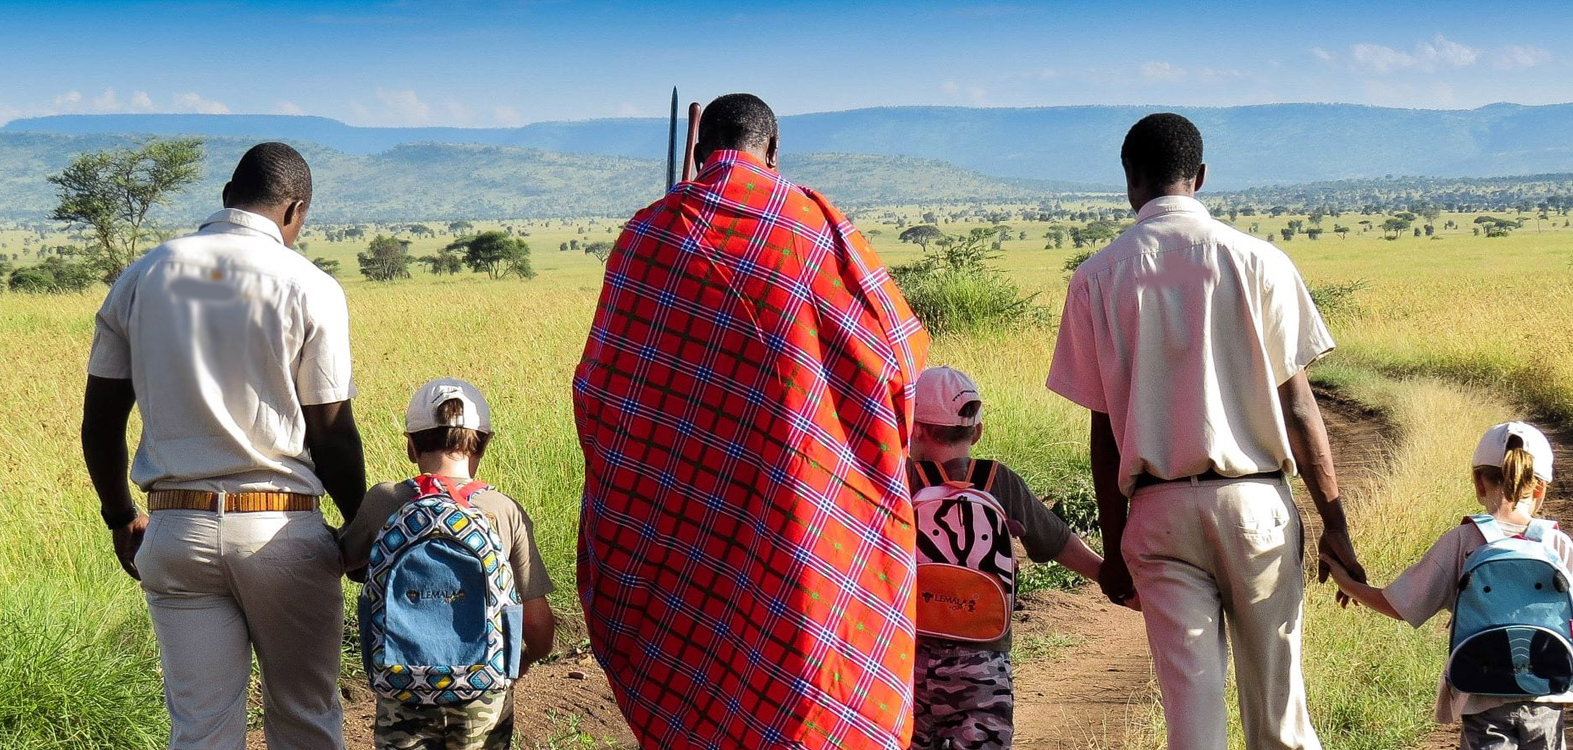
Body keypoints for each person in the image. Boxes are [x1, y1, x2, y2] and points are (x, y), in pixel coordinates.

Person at [573, 92, 927, 750]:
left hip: (686, 524)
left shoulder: (648, 236)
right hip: (807, 504)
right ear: (774, 150)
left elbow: (601, 394)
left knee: (702, 675)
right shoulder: (817, 226)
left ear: (702, 153)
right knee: (806, 664)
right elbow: (898, 361)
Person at [1046, 112, 1365, 750]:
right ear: (1201, 176)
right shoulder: (1260, 261)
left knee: (1193, 726)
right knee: (1279, 717)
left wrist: (1114, 550)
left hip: (1158, 514)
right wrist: (1335, 526)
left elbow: (1103, 432)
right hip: (1256, 506)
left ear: (1129, 181)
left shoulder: (1096, 278)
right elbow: (1300, 407)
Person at [80, 142, 366, 750]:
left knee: (201, 728)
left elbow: (100, 423)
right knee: (305, 716)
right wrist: (360, 523)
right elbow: (330, 428)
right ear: (294, 210)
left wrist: (120, 516)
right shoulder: (309, 285)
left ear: (226, 198)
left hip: (175, 531)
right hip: (281, 534)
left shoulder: (144, 274)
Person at [1322, 422, 1573, 750]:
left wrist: (1345, 580)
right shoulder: (1558, 544)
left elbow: (1397, 605)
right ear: (1539, 489)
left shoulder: (1463, 541)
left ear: (1479, 483)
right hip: (1546, 697)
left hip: (1481, 695)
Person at [338, 378, 558, 750]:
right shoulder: (504, 511)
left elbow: (343, 559)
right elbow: (538, 627)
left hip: (402, 686)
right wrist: (509, 666)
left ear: (411, 446)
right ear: (483, 444)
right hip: (482, 693)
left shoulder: (384, 502)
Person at [904, 365, 1104, 750]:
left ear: (915, 429)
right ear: (976, 431)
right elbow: (1057, 541)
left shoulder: (904, 479)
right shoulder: (999, 481)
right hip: (982, 662)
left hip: (910, 657)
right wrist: (1108, 577)